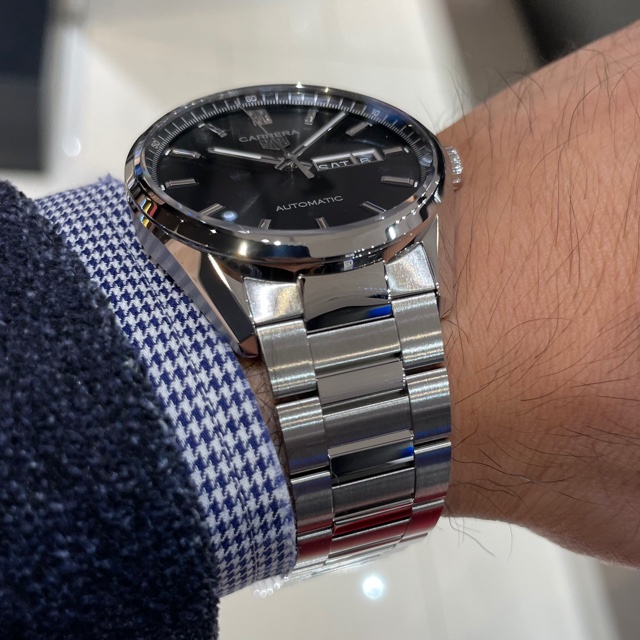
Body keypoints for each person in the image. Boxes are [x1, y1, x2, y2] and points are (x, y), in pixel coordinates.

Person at [1, 19, 639, 640]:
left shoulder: (419, 229)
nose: (289, 162)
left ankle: (364, 513)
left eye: (300, 153)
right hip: (250, 276)